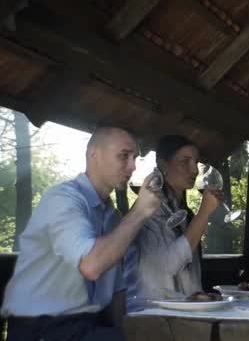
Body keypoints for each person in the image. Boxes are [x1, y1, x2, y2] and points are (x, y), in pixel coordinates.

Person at [1, 125, 161, 341]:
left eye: (135, 158)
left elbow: (117, 292)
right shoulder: (63, 200)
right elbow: (91, 266)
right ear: (94, 155)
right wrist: (140, 212)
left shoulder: (112, 217)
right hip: (42, 326)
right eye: (124, 156)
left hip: (89, 324)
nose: (132, 166)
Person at [125, 135, 220, 310]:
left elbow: (191, 271)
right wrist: (204, 213)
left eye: (196, 162)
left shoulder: (184, 213)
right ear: (162, 165)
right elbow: (169, 264)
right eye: (185, 161)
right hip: (152, 315)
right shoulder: (149, 210)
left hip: (184, 311)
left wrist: (200, 295)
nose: (194, 170)